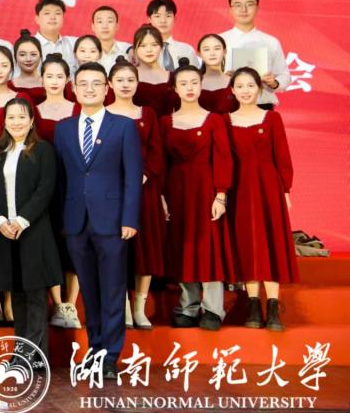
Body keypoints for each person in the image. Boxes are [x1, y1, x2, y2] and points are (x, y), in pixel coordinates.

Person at [54, 62, 142, 379]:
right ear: (74, 89)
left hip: (113, 222)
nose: (89, 89)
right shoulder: (63, 129)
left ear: (107, 89)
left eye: (96, 84)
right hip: (76, 222)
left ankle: (111, 356)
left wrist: (129, 218)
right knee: (89, 292)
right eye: (83, 84)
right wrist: (62, 220)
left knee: (113, 290)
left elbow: (133, 177)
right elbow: (61, 179)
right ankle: (95, 350)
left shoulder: (124, 126)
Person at [0, 98, 60, 361]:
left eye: (22, 117)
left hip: (33, 230)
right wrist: (0, 221)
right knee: (17, 294)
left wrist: (22, 220)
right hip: (4, 232)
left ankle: (28, 356)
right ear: (4, 121)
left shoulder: (43, 150)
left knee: (36, 295)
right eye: (11, 117)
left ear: (31, 121)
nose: (16, 122)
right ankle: (29, 355)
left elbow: (46, 189)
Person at [162, 58, 234, 331]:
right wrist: (162, 197)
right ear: (174, 88)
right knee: (183, 246)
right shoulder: (165, 122)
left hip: (206, 189)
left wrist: (220, 195)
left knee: (209, 246)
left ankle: (213, 309)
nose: (190, 88)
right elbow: (161, 163)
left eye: (194, 82)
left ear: (202, 85)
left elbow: (223, 159)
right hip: (176, 191)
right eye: (183, 83)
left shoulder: (214, 120)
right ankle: (188, 306)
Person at [227, 67, 299, 331]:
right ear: (232, 90)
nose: (245, 91)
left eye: (250, 86)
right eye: (240, 86)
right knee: (247, 244)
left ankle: (273, 307)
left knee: (271, 243)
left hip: (268, 188)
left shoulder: (272, 118)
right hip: (239, 190)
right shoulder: (225, 120)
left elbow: (283, 157)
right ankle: (253, 306)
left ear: (259, 88)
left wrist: (285, 191)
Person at [106, 57, 166, 330]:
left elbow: (156, 151)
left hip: (144, 190)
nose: (125, 85)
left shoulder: (147, 114)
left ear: (138, 83)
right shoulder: (103, 114)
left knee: (146, 250)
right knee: (117, 250)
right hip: (112, 192)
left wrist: (143, 174)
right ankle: (123, 308)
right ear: (109, 84)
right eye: (120, 80)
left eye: (130, 80)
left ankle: (140, 307)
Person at [34, 54, 82, 330]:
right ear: (41, 80)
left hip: (73, 185)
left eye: (59, 76)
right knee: (49, 243)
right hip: (43, 185)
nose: (54, 81)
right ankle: (56, 303)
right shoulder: (34, 109)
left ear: (68, 80)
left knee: (74, 243)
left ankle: (71, 304)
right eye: (49, 76)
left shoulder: (78, 109)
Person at [220, 0, 290, 109]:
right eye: (238, 5)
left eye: (249, 4)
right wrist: (223, 77)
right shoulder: (218, 41)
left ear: (257, 8)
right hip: (227, 104)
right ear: (230, 10)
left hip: (262, 103)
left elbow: (284, 75)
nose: (244, 9)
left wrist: (274, 82)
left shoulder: (270, 41)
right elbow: (206, 75)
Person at [133, 25, 176, 118]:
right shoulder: (128, 76)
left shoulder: (174, 77)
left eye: (154, 45)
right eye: (143, 46)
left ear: (161, 47)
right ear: (135, 49)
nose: (149, 50)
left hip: (166, 126)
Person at [146, 0, 198, 70]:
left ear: (175, 19)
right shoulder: (142, 51)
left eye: (168, 16)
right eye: (157, 16)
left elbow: (195, 75)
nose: (163, 21)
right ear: (149, 20)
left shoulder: (187, 50)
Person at [33, 0, 76, 71]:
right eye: (47, 13)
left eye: (57, 13)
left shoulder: (73, 44)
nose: (52, 17)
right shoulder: (27, 46)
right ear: (37, 19)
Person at [197, 34, 236, 114]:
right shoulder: (192, 83)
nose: (212, 53)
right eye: (206, 49)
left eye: (217, 48)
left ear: (224, 52)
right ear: (199, 54)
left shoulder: (235, 82)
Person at [9, 30, 46, 103]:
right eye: (22, 55)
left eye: (33, 54)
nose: (28, 59)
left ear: (40, 56)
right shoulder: (8, 86)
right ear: (15, 57)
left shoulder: (51, 83)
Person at [92, 5, 130, 70]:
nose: (105, 26)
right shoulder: (84, 52)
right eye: (100, 22)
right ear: (93, 27)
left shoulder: (127, 50)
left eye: (110, 21)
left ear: (117, 26)